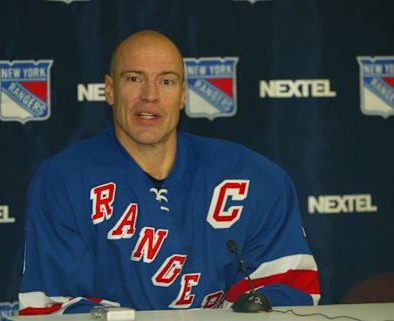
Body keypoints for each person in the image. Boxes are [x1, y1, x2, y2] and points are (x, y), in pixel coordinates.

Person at [18, 30, 320, 315]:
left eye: (166, 81)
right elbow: (56, 306)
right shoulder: (63, 181)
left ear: (183, 94)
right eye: (134, 78)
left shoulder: (255, 178)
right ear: (110, 90)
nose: (149, 95)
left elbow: (287, 291)